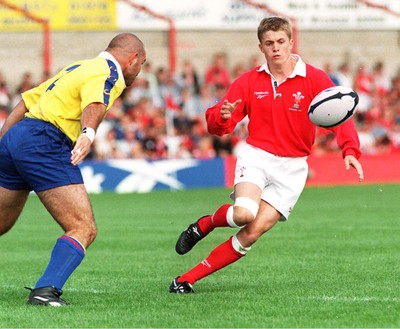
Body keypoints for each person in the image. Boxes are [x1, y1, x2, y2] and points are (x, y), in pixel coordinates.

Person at [169, 16, 364, 294]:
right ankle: (203, 225)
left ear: (291, 42)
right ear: (261, 46)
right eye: (269, 43)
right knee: (244, 214)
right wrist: (220, 116)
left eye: (281, 42)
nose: (276, 48)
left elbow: (339, 115)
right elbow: (219, 124)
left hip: (294, 168)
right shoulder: (249, 81)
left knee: (251, 233)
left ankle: (185, 279)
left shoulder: (315, 78)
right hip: (257, 157)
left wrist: (350, 150)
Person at [0, 33, 146, 306]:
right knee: (82, 227)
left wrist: (3, 143)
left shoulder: (76, 67)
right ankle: (46, 291)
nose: (140, 72)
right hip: (44, 141)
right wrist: (88, 133)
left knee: (1, 223)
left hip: (17, 136)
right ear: (133, 59)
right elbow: (95, 104)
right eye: (142, 64)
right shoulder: (108, 71)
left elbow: (26, 103)